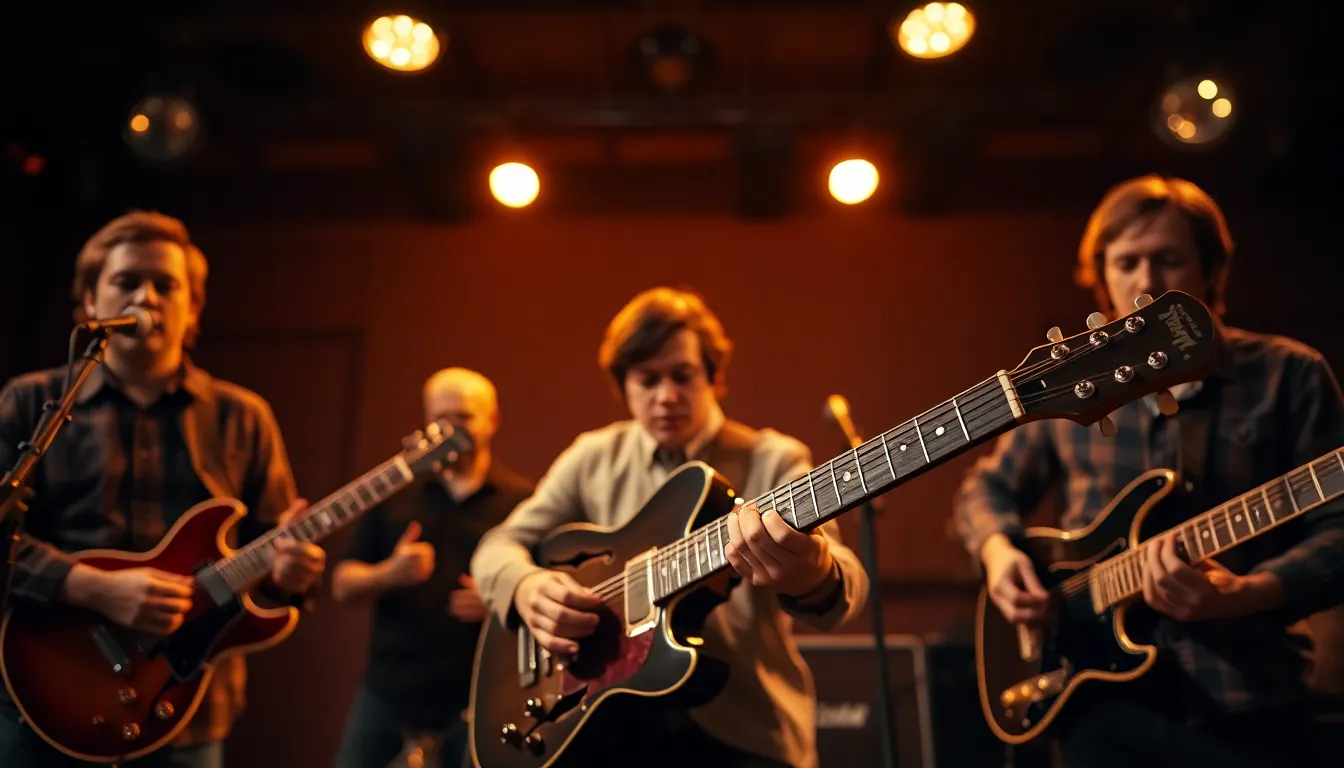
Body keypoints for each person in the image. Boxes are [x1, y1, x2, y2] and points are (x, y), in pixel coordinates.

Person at [954, 174, 1344, 767]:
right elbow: (985, 488)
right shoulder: (1074, 388)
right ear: (1103, 277)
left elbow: (1339, 532)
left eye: (1168, 260)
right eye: (1127, 262)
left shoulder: (1289, 375)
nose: (1146, 282)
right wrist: (998, 554)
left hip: (1249, 698)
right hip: (1100, 710)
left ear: (1212, 271)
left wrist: (1247, 593)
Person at [470, 287, 869, 768]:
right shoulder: (592, 457)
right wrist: (525, 586)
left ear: (715, 379)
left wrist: (814, 572)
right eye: (647, 379)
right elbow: (499, 544)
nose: (667, 396)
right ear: (624, 387)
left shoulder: (772, 458)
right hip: (608, 733)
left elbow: (846, 587)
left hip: (745, 728)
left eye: (683, 376)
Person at [0, 211, 326, 768]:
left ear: (193, 309)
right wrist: (89, 588)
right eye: (126, 282)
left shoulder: (242, 417)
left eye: (166, 285)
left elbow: (275, 561)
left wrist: (292, 574)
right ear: (88, 304)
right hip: (44, 698)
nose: (146, 296)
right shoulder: (31, 402)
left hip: (184, 712)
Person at [331, 367, 534, 768]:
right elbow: (341, 583)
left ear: (492, 421)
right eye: (439, 418)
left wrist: (500, 600)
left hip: (480, 698)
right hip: (389, 693)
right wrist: (388, 573)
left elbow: (546, 589)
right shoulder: (393, 494)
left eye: (462, 417)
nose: (448, 430)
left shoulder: (524, 503)